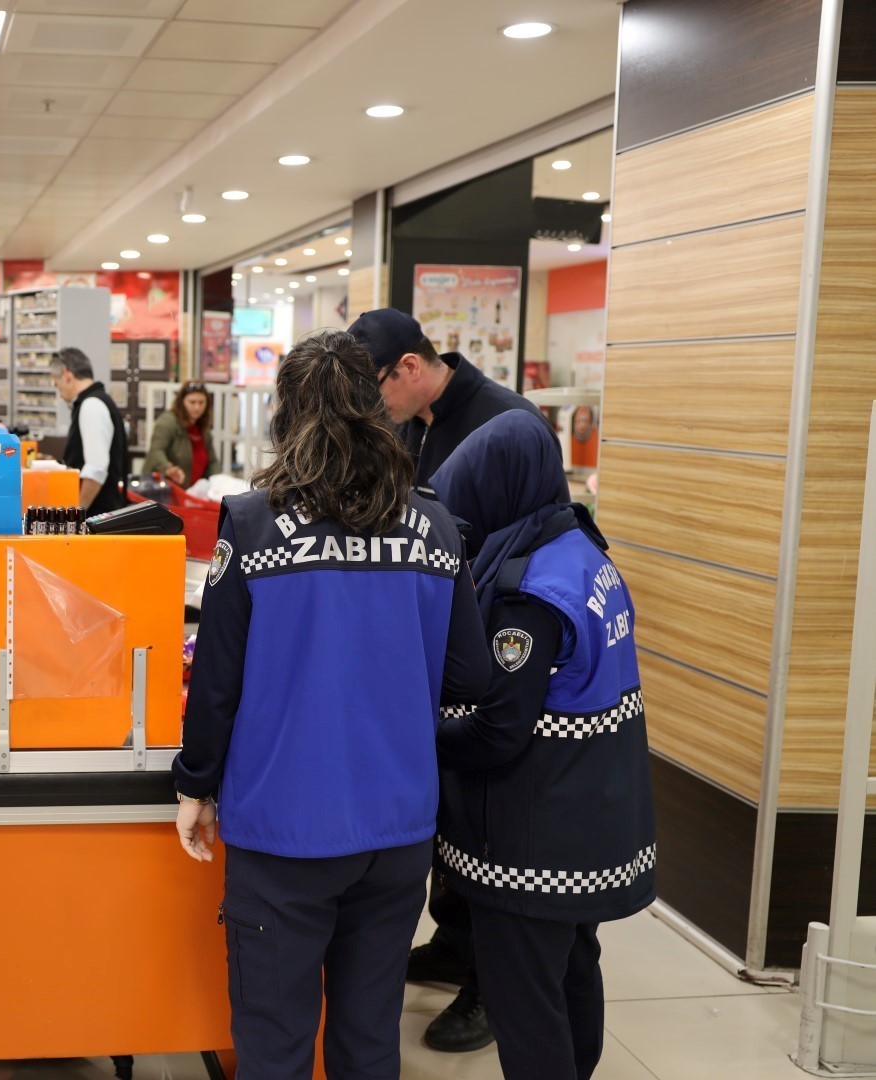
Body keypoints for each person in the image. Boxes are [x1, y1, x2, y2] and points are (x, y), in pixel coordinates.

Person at [172, 329, 490, 1079]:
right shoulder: (437, 527)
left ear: (288, 415)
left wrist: (194, 783)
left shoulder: (251, 526)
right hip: (397, 830)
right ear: (376, 406)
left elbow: (216, 682)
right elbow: (470, 676)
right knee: (369, 1038)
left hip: (283, 833)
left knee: (277, 1041)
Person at [430, 411, 655, 1080]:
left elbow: (501, 728)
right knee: (573, 972)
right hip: (594, 819)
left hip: (536, 835)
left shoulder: (529, 591)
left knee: (522, 1000)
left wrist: (423, 735)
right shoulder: (583, 552)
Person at [349, 306, 550, 1052]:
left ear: (406, 368)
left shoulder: (506, 422)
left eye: (374, 392)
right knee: (444, 814)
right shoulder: (407, 425)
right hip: (423, 634)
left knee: (485, 813)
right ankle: (453, 941)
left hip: (492, 637)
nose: (374, 413)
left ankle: (485, 990)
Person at [350, 307, 544, 497]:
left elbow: (546, 525)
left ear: (410, 366)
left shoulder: (512, 425)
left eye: (373, 389)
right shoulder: (394, 422)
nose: (374, 403)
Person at [52, 346, 128, 516]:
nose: (60, 393)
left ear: (67, 375)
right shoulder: (100, 401)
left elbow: (96, 470)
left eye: (57, 385)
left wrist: (75, 515)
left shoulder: (91, 406)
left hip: (96, 517)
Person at [144, 381, 217, 489]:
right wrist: (168, 469)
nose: (197, 407)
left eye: (201, 402)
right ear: (182, 402)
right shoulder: (167, 422)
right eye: (192, 402)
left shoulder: (203, 429)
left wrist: (219, 482)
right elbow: (156, 450)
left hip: (191, 493)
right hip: (163, 490)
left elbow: (212, 462)